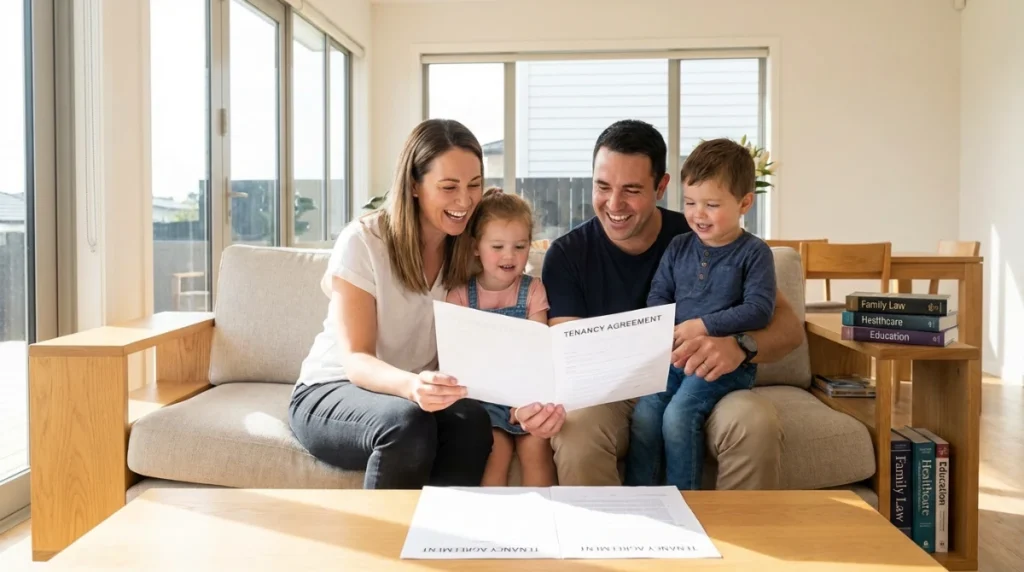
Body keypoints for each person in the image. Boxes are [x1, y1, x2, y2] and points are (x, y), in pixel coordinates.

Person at [516, 119, 804, 489]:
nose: (614, 204)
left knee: (755, 422)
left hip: (706, 382)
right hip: (613, 395)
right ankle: (607, 541)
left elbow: (787, 328)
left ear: (661, 187)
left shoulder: (701, 235)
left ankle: (740, 543)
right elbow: (570, 353)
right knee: (577, 433)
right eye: (602, 187)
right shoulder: (568, 254)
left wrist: (739, 346)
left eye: (631, 190)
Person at [288, 118, 493, 489]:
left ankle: (444, 541)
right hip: (331, 389)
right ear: (414, 185)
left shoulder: (470, 249)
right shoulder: (365, 241)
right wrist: (412, 386)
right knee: (407, 423)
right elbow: (356, 360)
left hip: (415, 396)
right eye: (448, 187)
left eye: (474, 185)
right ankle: (379, 546)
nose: (465, 201)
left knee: (471, 422)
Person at [625, 138, 777, 490]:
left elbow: (759, 309)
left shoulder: (755, 254)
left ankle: (686, 503)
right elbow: (659, 293)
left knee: (679, 415)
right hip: (675, 358)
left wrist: (703, 326)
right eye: (691, 202)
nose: (697, 214)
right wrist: (665, 327)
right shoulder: (679, 246)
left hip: (724, 367)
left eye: (711, 205)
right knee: (646, 415)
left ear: (744, 204)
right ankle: (641, 500)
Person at [445, 187, 557, 487]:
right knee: (495, 450)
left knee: (536, 448)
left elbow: (538, 350)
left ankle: (546, 521)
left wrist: (524, 404)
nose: (510, 255)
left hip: (526, 393)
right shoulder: (459, 294)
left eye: (520, 247)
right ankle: (489, 526)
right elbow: (458, 359)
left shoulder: (533, 289)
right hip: (482, 397)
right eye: (498, 246)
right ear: (475, 247)